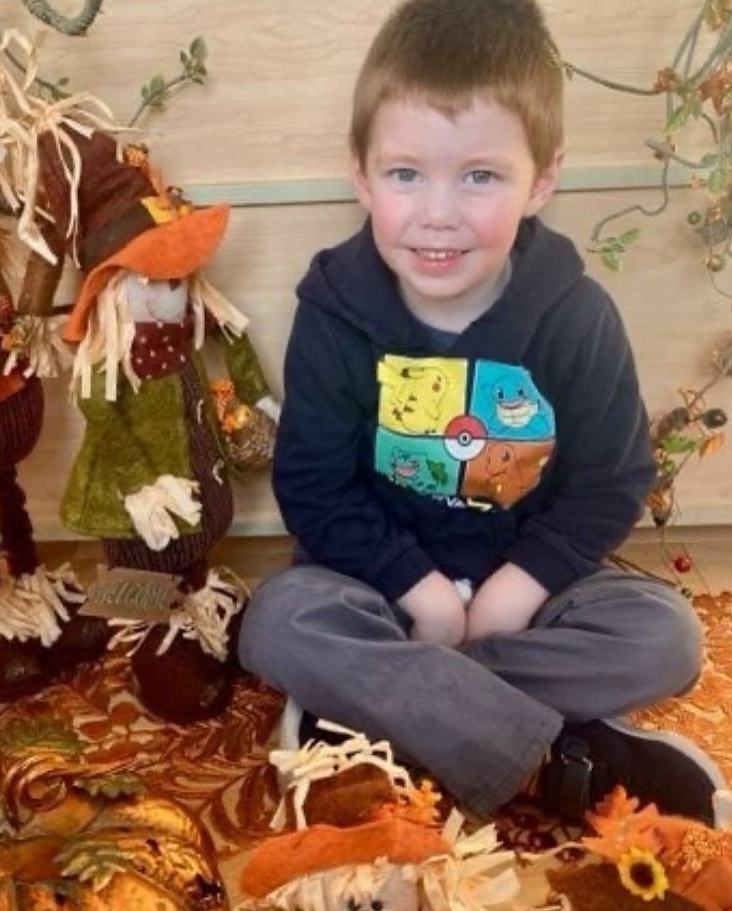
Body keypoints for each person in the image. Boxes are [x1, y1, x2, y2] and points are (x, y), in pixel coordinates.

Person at [238, 0, 727, 825]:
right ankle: (563, 755)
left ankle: (369, 716)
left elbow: (611, 483)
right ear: (359, 174)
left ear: (540, 179)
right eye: (405, 174)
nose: (438, 212)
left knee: (665, 637)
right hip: (379, 590)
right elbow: (314, 485)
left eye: (479, 175)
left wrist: (509, 593)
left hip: (527, 596)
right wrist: (422, 593)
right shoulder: (335, 309)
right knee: (277, 623)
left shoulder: (574, 313)